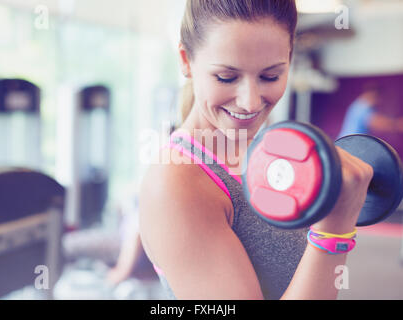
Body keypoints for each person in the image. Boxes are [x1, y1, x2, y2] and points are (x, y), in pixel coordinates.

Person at [139, 0, 373, 300]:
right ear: (185, 60)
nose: (250, 102)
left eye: (270, 76)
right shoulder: (175, 183)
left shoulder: (265, 152)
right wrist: (334, 229)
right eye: (226, 77)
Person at [338, 84, 403, 138]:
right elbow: (379, 123)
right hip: (348, 146)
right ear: (373, 94)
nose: (380, 101)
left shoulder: (360, 104)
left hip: (348, 144)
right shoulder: (362, 106)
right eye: (379, 98)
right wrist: (397, 124)